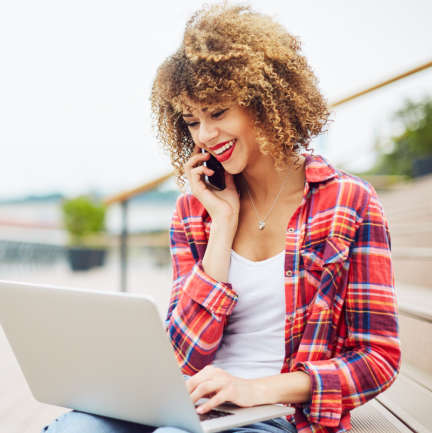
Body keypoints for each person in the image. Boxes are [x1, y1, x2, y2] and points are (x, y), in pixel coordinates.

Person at [43, 3, 400, 432]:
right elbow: (183, 357)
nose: (206, 136)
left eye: (218, 112)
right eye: (192, 121)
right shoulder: (195, 212)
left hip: (277, 415)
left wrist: (257, 389)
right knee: (75, 429)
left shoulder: (349, 202)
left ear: (268, 102)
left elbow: (377, 358)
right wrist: (224, 225)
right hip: (188, 402)